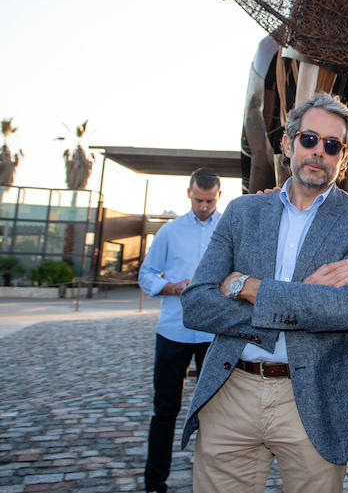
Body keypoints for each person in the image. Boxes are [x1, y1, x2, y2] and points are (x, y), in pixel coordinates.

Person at [180, 93, 348, 493]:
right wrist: (300, 300)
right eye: (309, 139)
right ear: (288, 143)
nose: (319, 152)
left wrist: (245, 286)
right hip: (231, 393)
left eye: (333, 145)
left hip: (314, 398)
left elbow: (343, 310)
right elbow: (197, 305)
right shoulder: (243, 212)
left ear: (344, 157)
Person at [139, 167, 221, 493]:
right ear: (189, 193)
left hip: (213, 334)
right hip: (173, 331)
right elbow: (147, 275)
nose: (204, 206)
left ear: (218, 196)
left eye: (210, 201)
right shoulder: (169, 233)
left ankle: (211, 483)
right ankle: (154, 484)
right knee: (165, 411)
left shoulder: (229, 228)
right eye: (199, 200)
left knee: (215, 415)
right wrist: (171, 287)